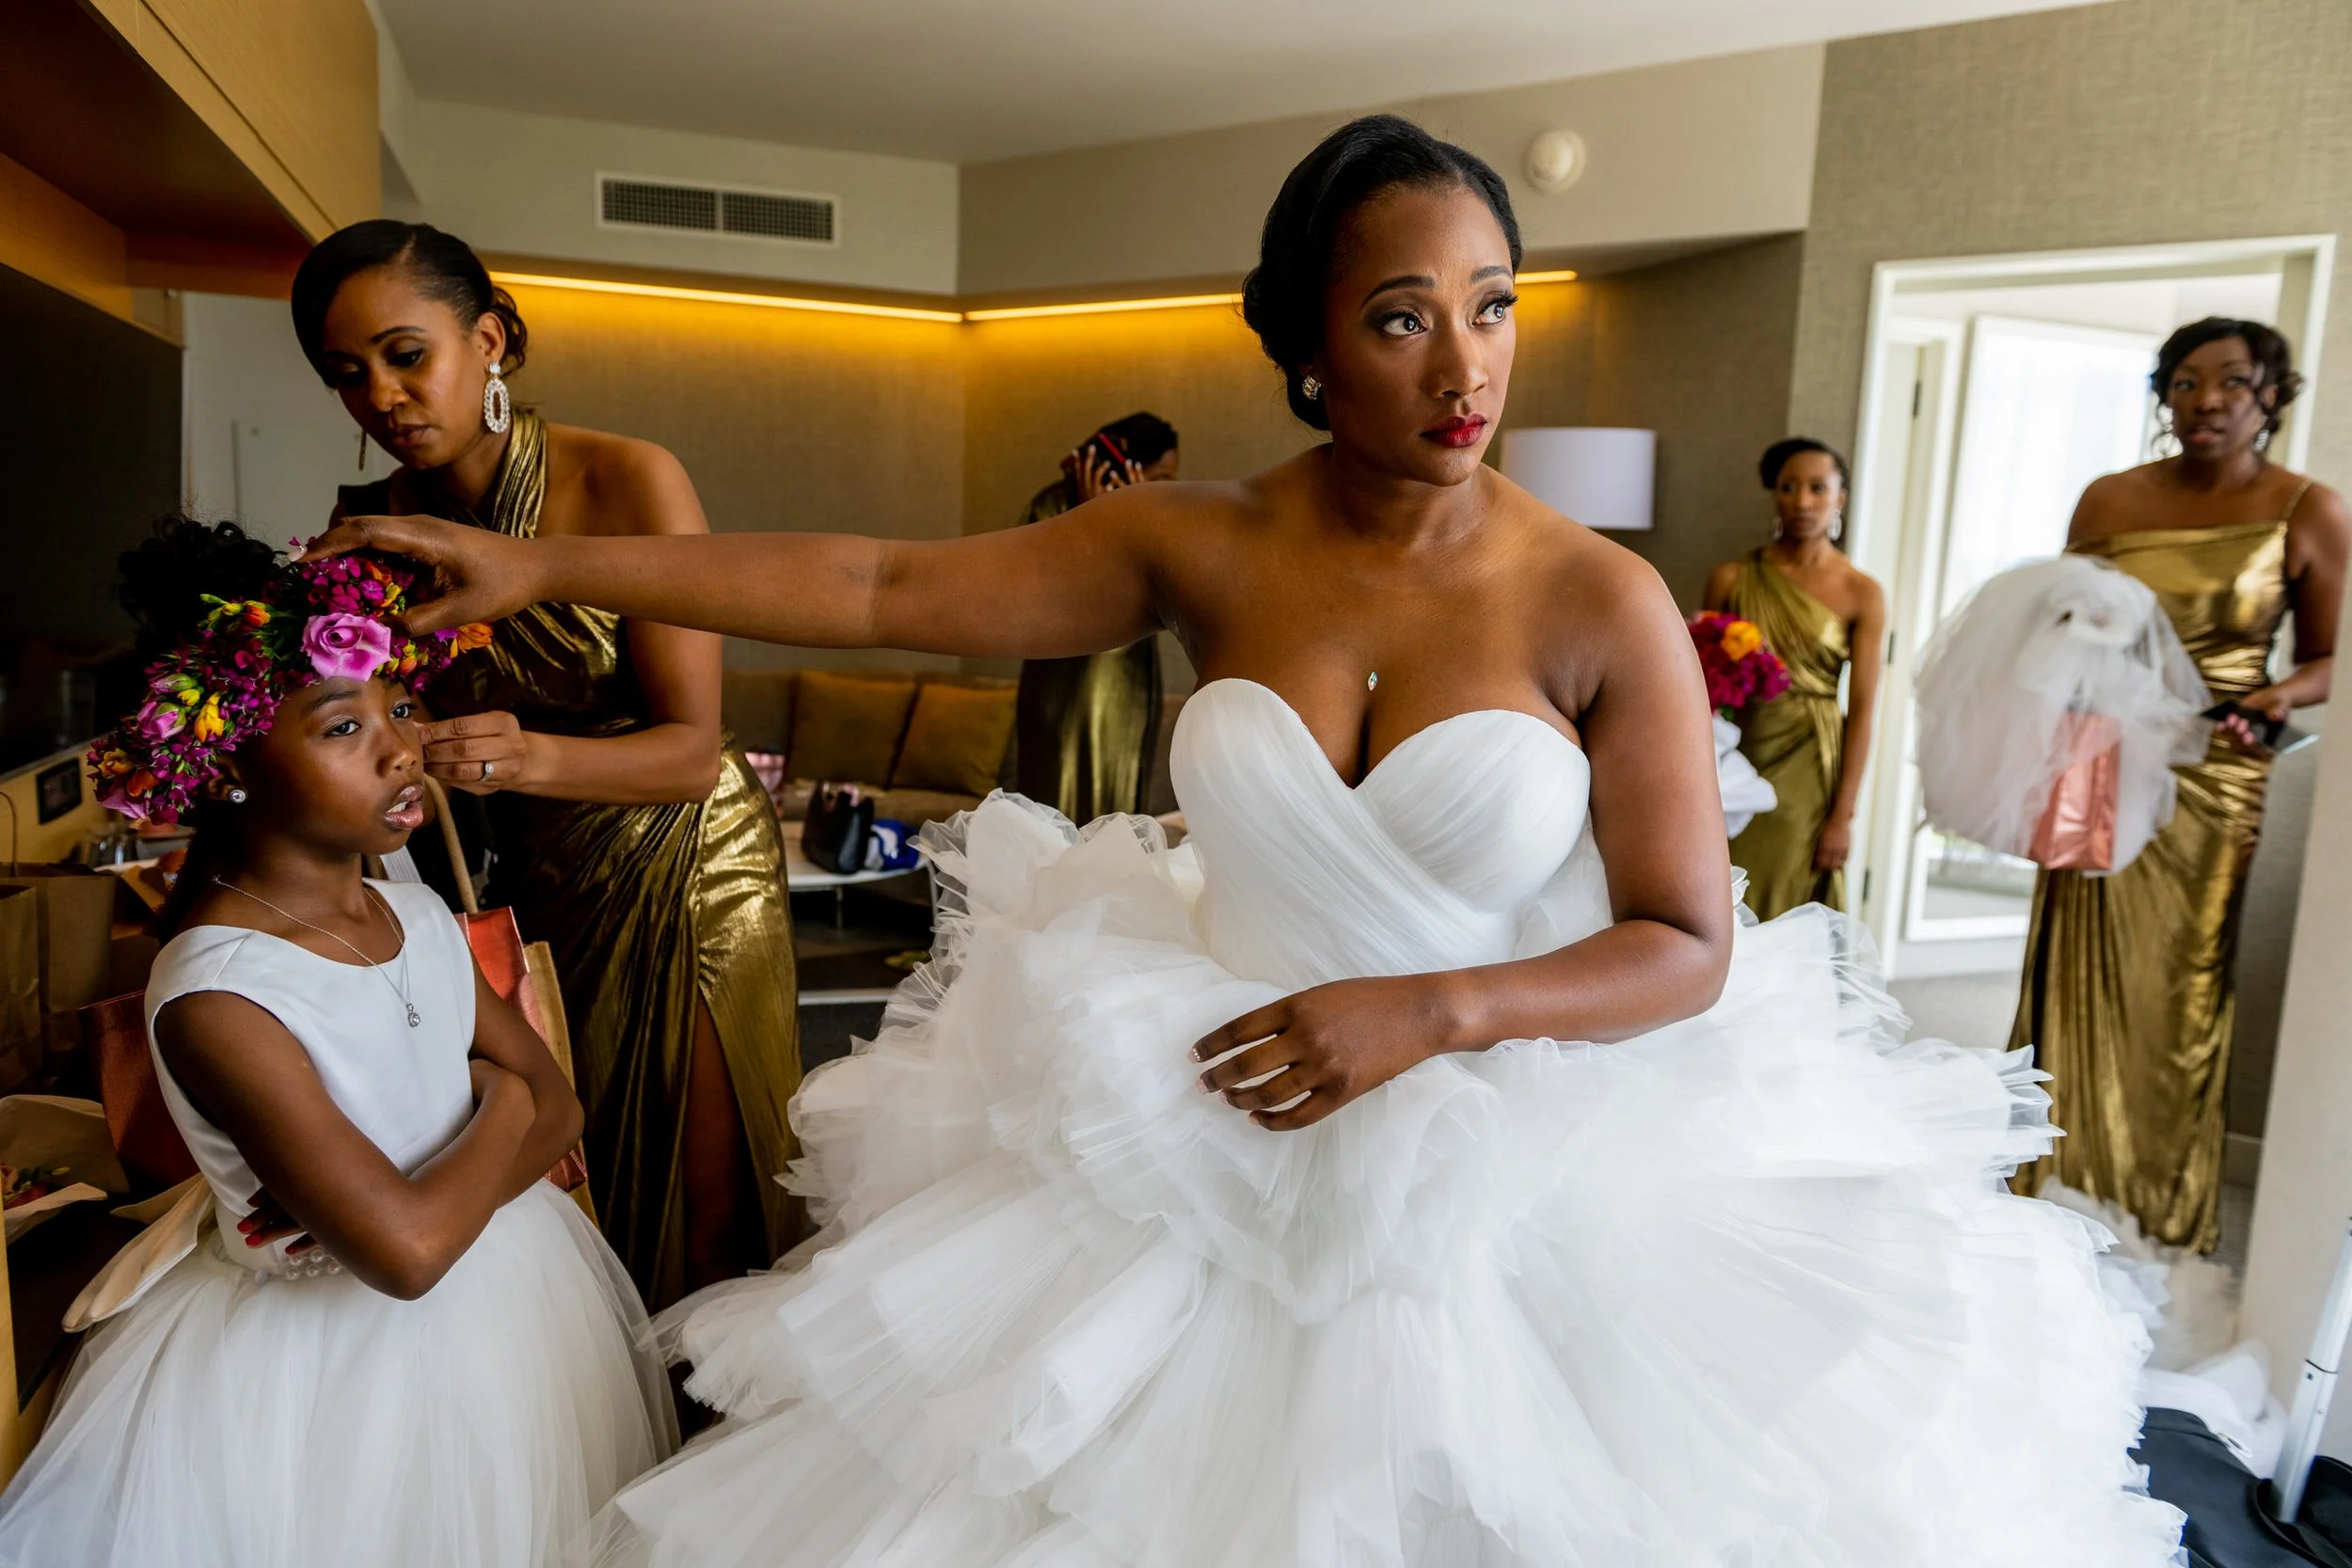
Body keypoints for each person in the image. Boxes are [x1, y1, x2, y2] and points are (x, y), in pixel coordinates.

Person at [321, 116, 2181, 1566]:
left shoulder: (1595, 597)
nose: (1462, 363)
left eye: (1488, 304)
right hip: (1190, 1108)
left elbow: (1684, 941)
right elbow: (879, 577)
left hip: (1506, 1132)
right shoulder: (1204, 543)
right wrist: (554, 557)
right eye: (1397, 317)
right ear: (1302, 347)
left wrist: (1429, 1007)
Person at [0, 518, 674, 1567]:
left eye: (400, 704)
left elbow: (563, 1105)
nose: (404, 744)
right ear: (228, 763)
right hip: (311, 1372)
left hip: (505, 1304)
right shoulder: (221, 988)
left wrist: (471, 1162)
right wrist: (500, 1106)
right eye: (341, 727)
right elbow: (406, 1251)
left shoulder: (414, 914)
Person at [292, 221, 802, 1307]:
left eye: (404, 353)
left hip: (684, 865)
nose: (380, 395)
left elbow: (689, 752)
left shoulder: (626, 481)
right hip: (520, 882)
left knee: (706, 1203)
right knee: (580, 1186)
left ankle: (711, 1448)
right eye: (348, 375)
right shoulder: (367, 527)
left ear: (489, 339)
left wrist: (520, 756)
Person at [2009, 317, 2346, 1252]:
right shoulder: (2107, 500)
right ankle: (2049, 1188)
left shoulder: (2308, 508)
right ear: (2163, 395)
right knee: (2071, 965)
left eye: (2232, 383)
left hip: (2212, 767)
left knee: (2182, 984)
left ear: (2270, 395)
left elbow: (2330, 657)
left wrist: (2277, 693)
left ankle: (2156, 1213)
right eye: (2185, 382)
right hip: (2094, 750)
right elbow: (2061, 625)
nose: (2206, 401)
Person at [1702, 438, 1885, 919]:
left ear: (1840, 497)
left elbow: (1864, 708)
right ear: (1775, 495)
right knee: (1717, 889)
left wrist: (1842, 816)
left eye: (1818, 488)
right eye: (1789, 487)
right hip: (1737, 751)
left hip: (1809, 765)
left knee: (1785, 899)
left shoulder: (1862, 592)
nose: (1803, 501)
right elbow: (1696, 682)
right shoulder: (1731, 578)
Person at [1014, 412, 1181, 821]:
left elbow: (1166, 586)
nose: (1167, 490)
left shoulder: (1155, 517)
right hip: (1064, 679)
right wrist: (1099, 521)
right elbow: (1036, 594)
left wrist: (1131, 517)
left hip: (1129, 679)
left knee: (1119, 803)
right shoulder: (1051, 505)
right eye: (1159, 478)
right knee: (1054, 805)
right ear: (1123, 464)